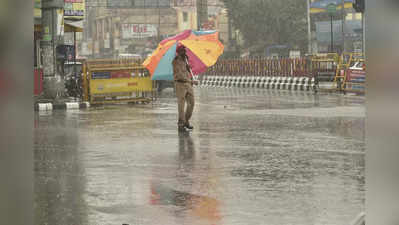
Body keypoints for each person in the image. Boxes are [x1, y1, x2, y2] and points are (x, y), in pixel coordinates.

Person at [173, 46, 198, 132]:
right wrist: (191, 81)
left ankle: (186, 120)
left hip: (188, 84)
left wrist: (189, 69)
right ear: (179, 52)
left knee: (191, 103)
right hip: (180, 84)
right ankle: (181, 124)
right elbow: (180, 75)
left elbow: (187, 73)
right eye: (182, 51)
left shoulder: (186, 60)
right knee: (181, 105)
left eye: (184, 51)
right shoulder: (176, 61)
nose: (184, 53)